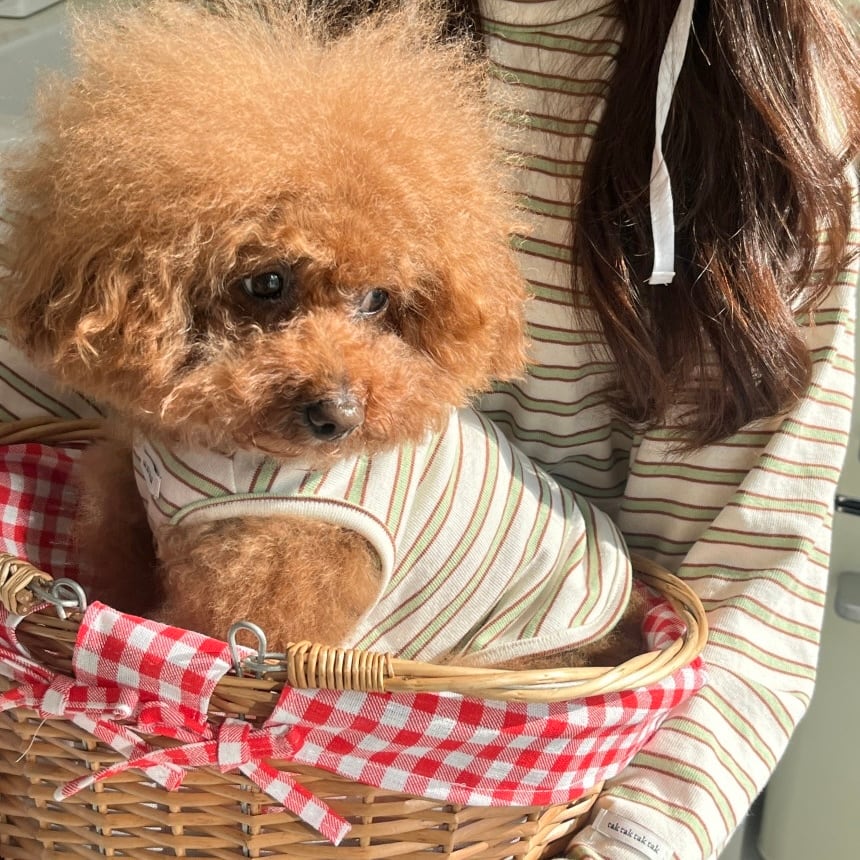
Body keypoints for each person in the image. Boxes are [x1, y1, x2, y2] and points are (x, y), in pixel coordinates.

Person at [326, 1, 860, 857]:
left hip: (536, 775)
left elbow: (742, 579)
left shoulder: (760, 103)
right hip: (220, 739)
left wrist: (633, 839)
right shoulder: (315, 28)